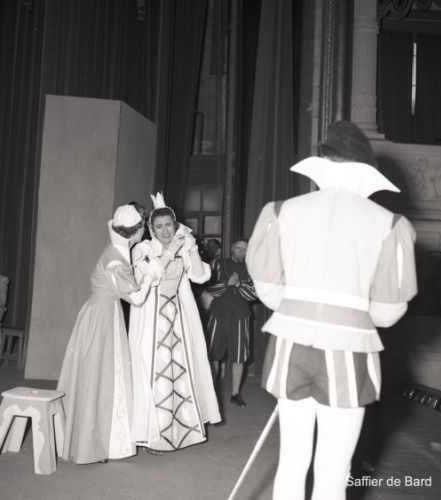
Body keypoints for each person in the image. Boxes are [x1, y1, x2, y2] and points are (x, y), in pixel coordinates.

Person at [246, 121, 417, 500]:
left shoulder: (281, 211)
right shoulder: (390, 224)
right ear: (366, 173)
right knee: (334, 468)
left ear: (322, 165)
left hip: (291, 345)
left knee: (292, 459)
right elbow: (388, 312)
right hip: (348, 349)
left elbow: (269, 292)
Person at [56, 204, 163, 464]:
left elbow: (113, 227)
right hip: (101, 319)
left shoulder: (117, 246)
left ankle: (105, 441)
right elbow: (136, 297)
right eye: (142, 227)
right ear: (136, 231)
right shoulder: (114, 258)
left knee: (104, 377)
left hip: (103, 313)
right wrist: (150, 274)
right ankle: (92, 444)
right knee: (99, 378)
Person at [129, 192, 221, 453]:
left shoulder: (182, 246)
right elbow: (149, 276)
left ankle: (179, 432)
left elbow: (200, 276)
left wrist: (191, 248)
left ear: (175, 224)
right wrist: (169, 252)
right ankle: (153, 436)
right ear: (151, 229)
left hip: (177, 318)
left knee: (178, 372)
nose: (165, 231)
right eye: (159, 226)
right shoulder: (143, 250)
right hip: (152, 319)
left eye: (168, 225)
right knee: (155, 374)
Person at [206, 239, 257, 407]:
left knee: (239, 357)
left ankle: (235, 394)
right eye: (238, 247)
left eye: (244, 248)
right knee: (213, 354)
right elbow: (209, 288)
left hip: (240, 316)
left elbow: (254, 294)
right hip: (218, 314)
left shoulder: (252, 268)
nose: (241, 251)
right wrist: (227, 284)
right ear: (232, 248)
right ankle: (211, 392)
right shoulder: (217, 264)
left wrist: (240, 284)